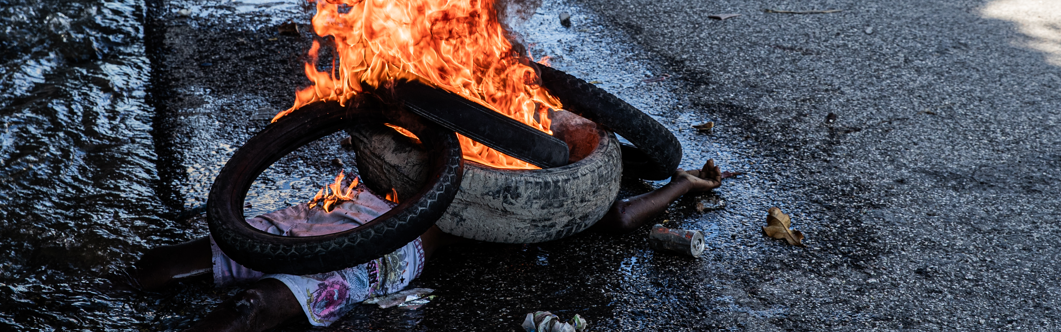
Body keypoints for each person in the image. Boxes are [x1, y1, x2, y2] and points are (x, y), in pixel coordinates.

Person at [117, 159, 727, 331]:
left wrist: (683, 184)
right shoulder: (491, 98)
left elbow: (618, 216)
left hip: (387, 245)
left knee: (251, 304)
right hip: (344, 207)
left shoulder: (561, 192)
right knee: (161, 265)